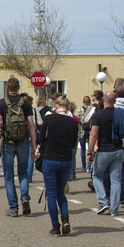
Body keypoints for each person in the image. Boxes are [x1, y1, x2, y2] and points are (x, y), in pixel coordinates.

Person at [38, 95, 80, 236]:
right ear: (67, 108)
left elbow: (41, 139)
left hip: (50, 159)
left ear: (56, 106)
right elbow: (74, 143)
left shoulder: (49, 119)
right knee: (60, 192)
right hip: (65, 160)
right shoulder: (73, 123)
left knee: (51, 194)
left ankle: (55, 226)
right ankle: (65, 219)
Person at [0, 78, 37, 217]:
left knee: (8, 175)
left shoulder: (2, 103)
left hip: (8, 142)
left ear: (7, 88)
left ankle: (13, 208)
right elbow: (31, 124)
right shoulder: (25, 103)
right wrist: (34, 145)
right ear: (18, 88)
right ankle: (25, 197)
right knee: (23, 172)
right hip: (23, 141)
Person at [87, 91, 124, 215]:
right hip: (119, 149)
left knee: (97, 176)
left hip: (104, 150)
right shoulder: (121, 113)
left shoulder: (99, 115)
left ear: (104, 100)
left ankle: (103, 202)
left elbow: (93, 134)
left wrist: (89, 151)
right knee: (116, 180)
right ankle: (114, 209)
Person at [78, 96, 93, 174]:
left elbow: (78, 120)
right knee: (90, 149)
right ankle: (89, 165)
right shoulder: (92, 109)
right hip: (90, 131)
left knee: (83, 149)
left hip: (81, 131)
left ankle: (83, 165)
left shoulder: (80, 109)